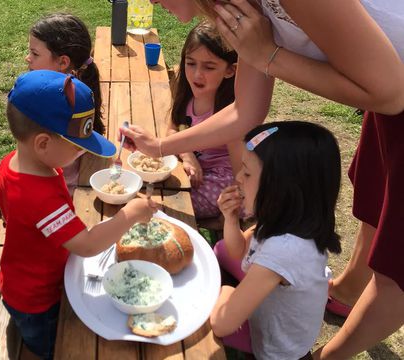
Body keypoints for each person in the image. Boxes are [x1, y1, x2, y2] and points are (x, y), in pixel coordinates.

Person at [120, 0, 404, 357]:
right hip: (391, 101)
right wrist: (161, 146)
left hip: (394, 93)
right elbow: (245, 111)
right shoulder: (232, 8)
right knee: (376, 198)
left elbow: (391, 91)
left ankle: (328, 356)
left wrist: (268, 54)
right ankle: (345, 292)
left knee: (398, 261)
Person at [0, 70, 157, 360]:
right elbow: (86, 245)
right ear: (43, 144)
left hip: (18, 277)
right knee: (48, 345)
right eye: (76, 148)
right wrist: (130, 214)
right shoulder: (40, 196)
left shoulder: (14, 163)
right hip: (38, 298)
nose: (81, 154)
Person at [209, 121, 342, 359]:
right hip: (271, 321)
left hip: (271, 350)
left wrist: (227, 290)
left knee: (201, 312)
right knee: (220, 251)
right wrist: (230, 219)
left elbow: (222, 324)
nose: (238, 178)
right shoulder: (290, 219)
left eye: (247, 173)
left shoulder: (284, 249)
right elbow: (239, 252)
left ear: (281, 188)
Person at [0, 13, 105, 243]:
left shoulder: (62, 103)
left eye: (34, 53)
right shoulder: (73, 89)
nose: (27, 58)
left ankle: (4, 246)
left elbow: (44, 162)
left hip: (61, 182)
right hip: (52, 166)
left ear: (63, 62)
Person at [168, 21, 238, 220]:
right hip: (194, 170)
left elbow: (241, 169)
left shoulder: (230, 111)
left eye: (209, 67)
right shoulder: (186, 95)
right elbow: (172, 128)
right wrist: (187, 154)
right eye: (191, 63)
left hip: (222, 181)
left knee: (171, 206)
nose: (197, 74)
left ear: (230, 70)